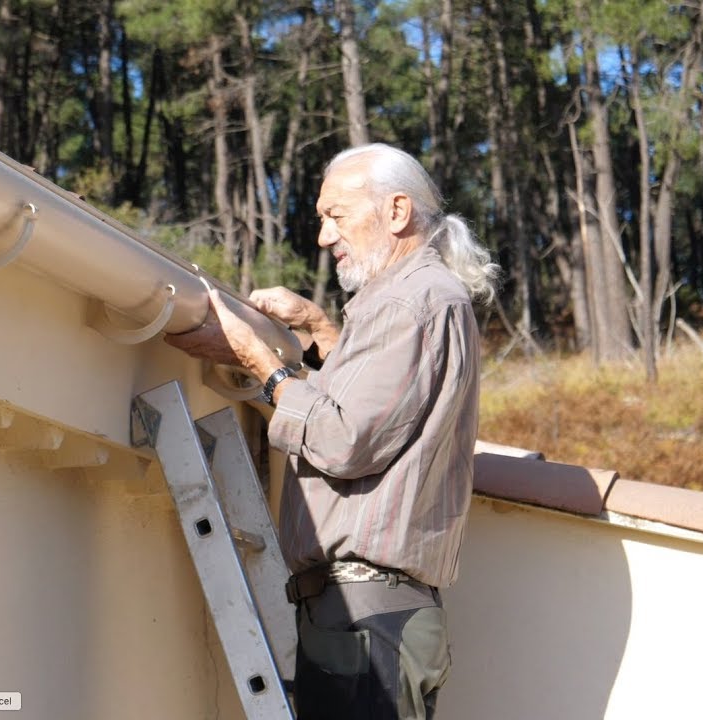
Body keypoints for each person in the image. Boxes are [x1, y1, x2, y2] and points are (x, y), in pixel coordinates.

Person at [165, 143, 499, 720]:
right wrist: (320, 329)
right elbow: (385, 403)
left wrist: (259, 361)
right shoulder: (421, 299)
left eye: (335, 216)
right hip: (369, 614)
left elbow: (345, 440)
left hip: (365, 617)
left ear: (397, 213)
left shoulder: (411, 301)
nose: (323, 236)